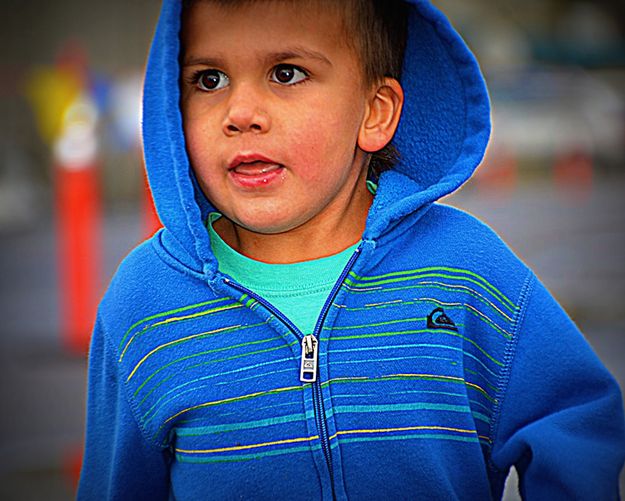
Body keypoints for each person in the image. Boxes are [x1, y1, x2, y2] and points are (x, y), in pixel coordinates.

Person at [78, 0, 625, 499]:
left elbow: (573, 420)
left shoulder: (465, 270)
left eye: (286, 73)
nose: (240, 111)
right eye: (209, 78)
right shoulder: (144, 303)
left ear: (375, 112)